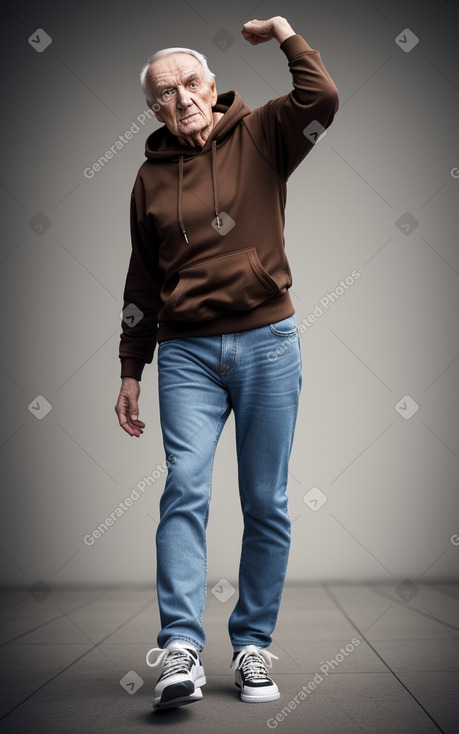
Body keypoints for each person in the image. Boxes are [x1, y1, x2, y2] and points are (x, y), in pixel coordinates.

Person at [115, 15, 338, 710]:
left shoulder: (265, 134)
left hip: (268, 344)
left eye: (189, 84)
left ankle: (250, 649)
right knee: (183, 488)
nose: (180, 98)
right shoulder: (148, 181)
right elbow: (142, 283)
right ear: (153, 108)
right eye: (164, 93)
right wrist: (130, 368)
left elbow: (322, 99)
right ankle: (179, 647)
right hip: (184, 354)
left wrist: (283, 33)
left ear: (211, 87)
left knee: (264, 501)